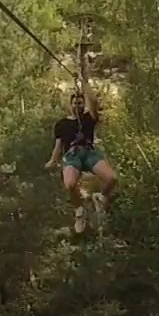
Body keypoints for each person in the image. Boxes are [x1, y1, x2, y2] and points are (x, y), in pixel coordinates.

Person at [45, 79, 118, 233]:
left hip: (89, 152)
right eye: (75, 103)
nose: (77, 106)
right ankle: (79, 211)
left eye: (80, 103)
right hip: (72, 156)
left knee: (112, 178)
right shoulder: (61, 124)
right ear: (70, 104)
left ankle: (101, 197)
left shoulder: (88, 118)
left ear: (83, 105)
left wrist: (84, 83)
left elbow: (93, 102)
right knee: (70, 184)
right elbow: (58, 145)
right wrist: (52, 160)